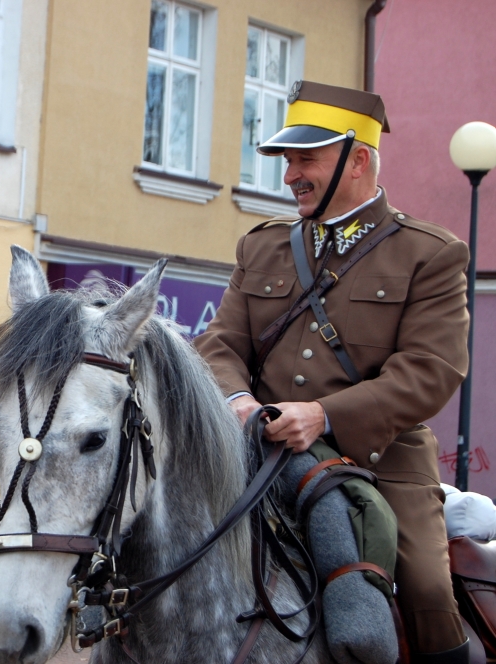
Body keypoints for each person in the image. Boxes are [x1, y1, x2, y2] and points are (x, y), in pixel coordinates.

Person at [195, 80, 470, 664]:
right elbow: (220, 344)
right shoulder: (262, 247)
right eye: (287, 160)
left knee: (426, 587)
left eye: (306, 160)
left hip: (380, 460)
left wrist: (323, 415)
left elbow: (431, 370)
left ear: (358, 160)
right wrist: (238, 401)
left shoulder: (430, 253)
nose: (290, 175)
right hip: (260, 454)